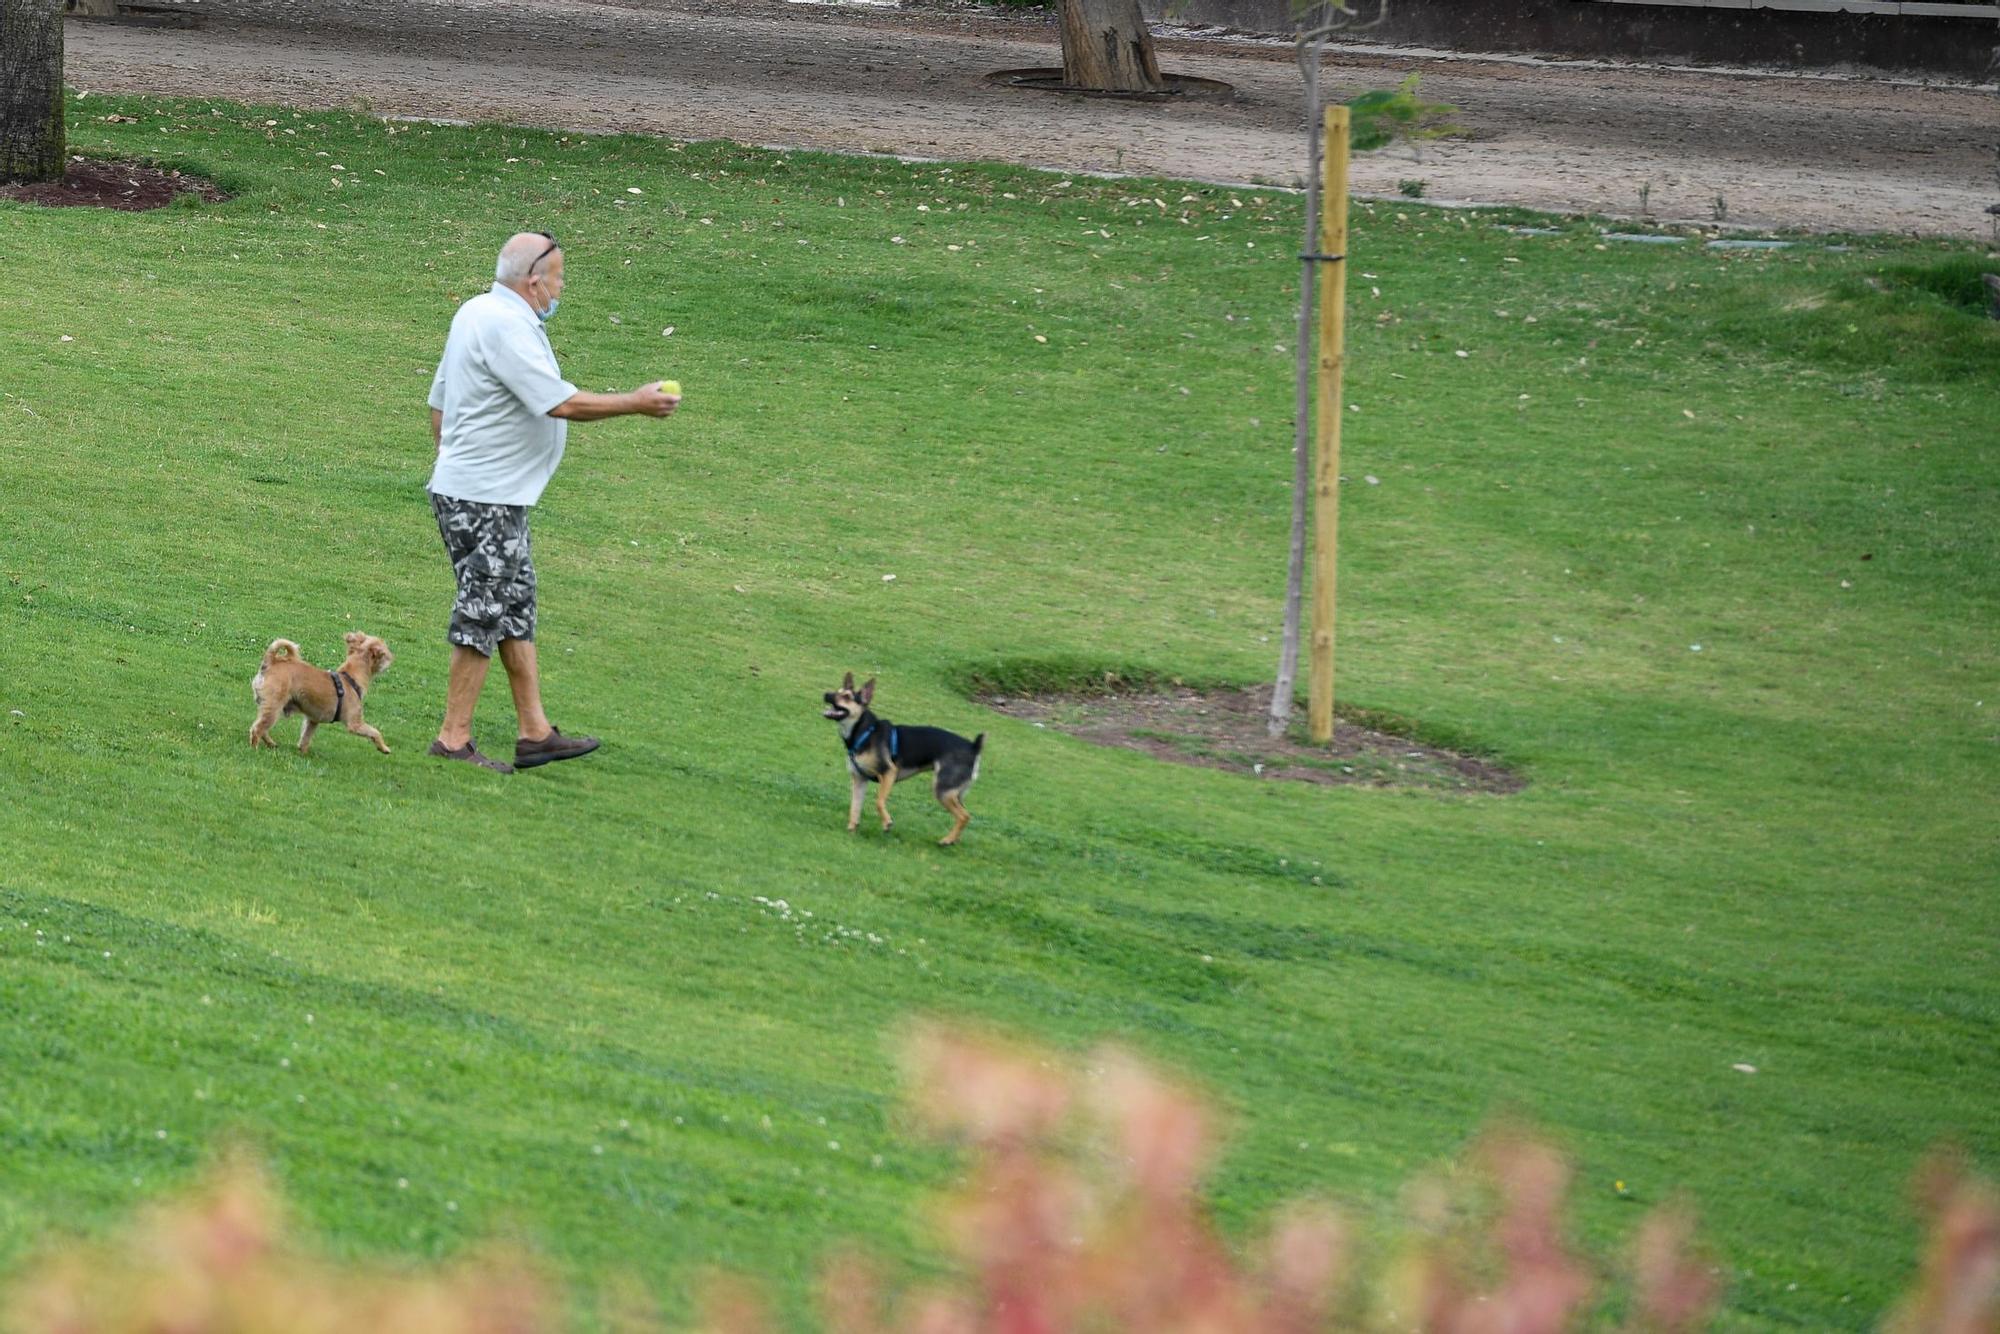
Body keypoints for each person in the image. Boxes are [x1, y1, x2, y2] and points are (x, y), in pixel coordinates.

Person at [424, 231, 680, 773]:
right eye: (560, 276)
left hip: (486, 492)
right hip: (483, 496)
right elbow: (558, 404)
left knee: (515, 605)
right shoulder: (503, 324)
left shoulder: (476, 311)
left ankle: (534, 732)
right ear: (535, 279)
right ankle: (452, 740)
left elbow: (439, 404)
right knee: (483, 611)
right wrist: (636, 402)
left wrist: (457, 462)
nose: (562, 287)